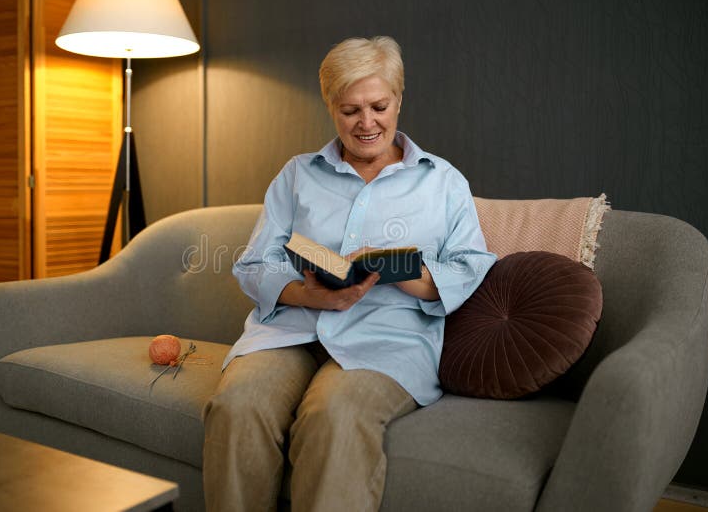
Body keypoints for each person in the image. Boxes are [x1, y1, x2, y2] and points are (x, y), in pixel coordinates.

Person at [202, 36, 496, 512]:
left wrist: (400, 268)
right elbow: (255, 262)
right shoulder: (298, 174)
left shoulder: (443, 182)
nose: (366, 123)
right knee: (237, 407)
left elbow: (470, 266)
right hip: (291, 333)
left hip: (387, 340)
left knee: (333, 417)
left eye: (379, 106)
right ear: (330, 107)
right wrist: (308, 293)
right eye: (350, 110)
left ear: (399, 99)